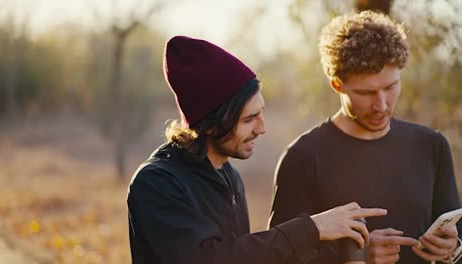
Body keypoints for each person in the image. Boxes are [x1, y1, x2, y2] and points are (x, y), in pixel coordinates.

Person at [127, 35, 387, 264]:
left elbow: (247, 257)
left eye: (260, 113)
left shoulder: (228, 175)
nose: (261, 128)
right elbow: (207, 259)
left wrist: (352, 253)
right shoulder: (158, 182)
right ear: (210, 123)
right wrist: (312, 227)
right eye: (248, 119)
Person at [270, 11, 462, 264]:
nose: (381, 105)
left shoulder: (431, 145)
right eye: (366, 92)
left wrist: (453, 249)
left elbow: (454, 240)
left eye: (390, 87)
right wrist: (356, 257)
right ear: (337, 84)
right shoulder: (302, 157)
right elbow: (278, 257)